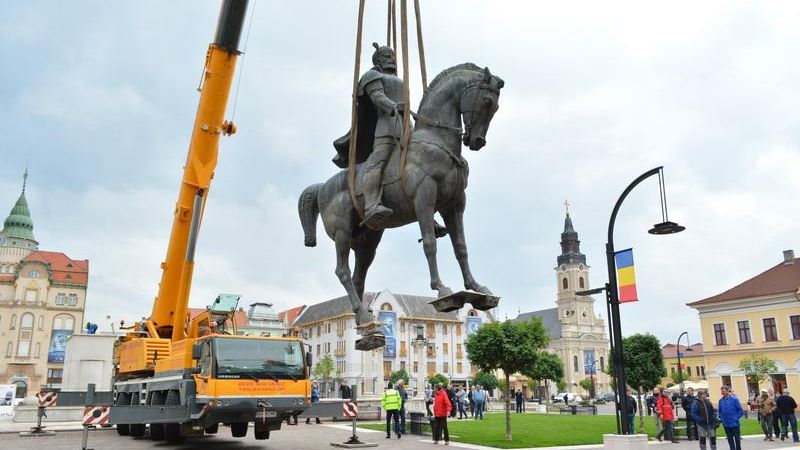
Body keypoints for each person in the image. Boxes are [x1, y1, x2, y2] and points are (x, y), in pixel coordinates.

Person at [331, 43, 403, 228]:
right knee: (378, 162)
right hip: (385, 127)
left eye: (393, 56)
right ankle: (371, 205)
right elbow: (377, 97)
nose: (392, 59)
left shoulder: (399, 79)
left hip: (405, 127)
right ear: (378, 59)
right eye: (387, 56)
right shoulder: (372, 76)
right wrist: (393, 106)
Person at [718, 386, 744, 450]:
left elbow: (740, 411)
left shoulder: (734, 399)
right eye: (722, 391)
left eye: (724, 391)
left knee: (737, 438)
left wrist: (736, 418)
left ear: (727, 391)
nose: (722, 392)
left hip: (734, 423)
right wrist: (721, 418)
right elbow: (720, 411)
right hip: (726, 423)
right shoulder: (720, 401)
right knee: (729, 438)